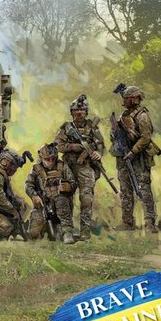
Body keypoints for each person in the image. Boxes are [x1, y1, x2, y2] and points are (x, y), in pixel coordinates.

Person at [54, 95, 105, 240]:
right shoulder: (66, 128)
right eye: (76, 110)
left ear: (86, 112)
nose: (79, 113)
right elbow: (58, 145)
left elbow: (100, 145)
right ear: (71, 112)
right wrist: (73, 147)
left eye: (82, 110)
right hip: (68, 167)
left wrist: (98, 153)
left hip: (85, 167)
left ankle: (85, 231)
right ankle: (67, 231)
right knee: (65, 198)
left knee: (86, 198)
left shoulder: (92, 127)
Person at [112, 86, 159, 233]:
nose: (124, 101)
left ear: (133, 99)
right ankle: (127, 222)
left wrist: (133, 151)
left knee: (144, 189)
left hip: (139, 158)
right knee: (125, 190)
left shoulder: (142, 116)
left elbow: (145, 137)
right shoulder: (124, 115)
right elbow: (116, 135)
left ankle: (150, 222)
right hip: (124, 158)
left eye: (126, 98)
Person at [25, 143, 76, 244]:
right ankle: (49, 229)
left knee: (61, 201)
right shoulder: (36, 169)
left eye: (53, 159)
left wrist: (68, 186)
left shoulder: (62, 166)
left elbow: (73, 182)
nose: (50, 162)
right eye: (47, 159)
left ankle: (67, 232)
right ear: (41, 158)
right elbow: (28, 185)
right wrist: (34, 195)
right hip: (44, 202)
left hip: (61, 201)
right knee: (34, 234)